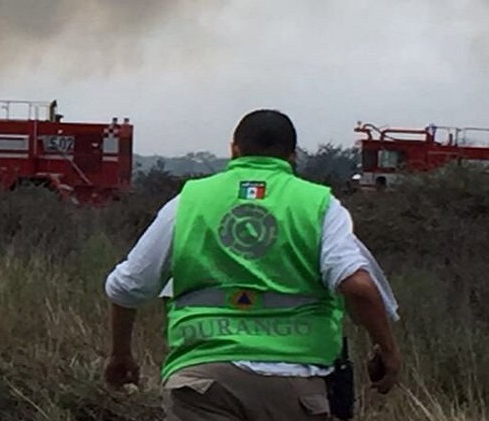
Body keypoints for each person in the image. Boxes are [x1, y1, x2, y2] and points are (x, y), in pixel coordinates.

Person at [103, 109, 401, 421]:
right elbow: (359, 287)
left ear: (234, 148)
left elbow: (126, 287)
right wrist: (388, 350)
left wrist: (121, 355)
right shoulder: (320, 206)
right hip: (295, 387)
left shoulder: (189, 202)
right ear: (293, 156)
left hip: (203, 384)